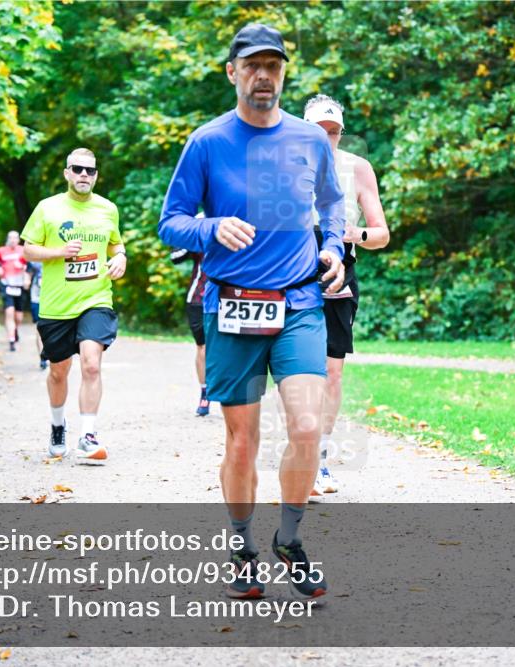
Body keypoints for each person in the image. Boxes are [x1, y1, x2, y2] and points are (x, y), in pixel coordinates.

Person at [158, 23, 345, 601]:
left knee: (308, 426)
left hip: (299, 302)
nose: (264, 76)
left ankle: (289, 538)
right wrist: (211, 227)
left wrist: (333, 247)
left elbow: (333, 203)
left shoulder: (310, 140)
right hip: (233, 305)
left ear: (284, 73)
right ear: (233, 72)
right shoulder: (207, 142)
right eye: (253, 65)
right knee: (242, 441)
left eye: (274, 66)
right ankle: (241, 545)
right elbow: (171, 222)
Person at [303, 94, 390, 496]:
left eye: (334, 131)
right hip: (290, 267)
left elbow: (382, 233)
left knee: (330, 370)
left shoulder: (357, 167)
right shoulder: (282, 162)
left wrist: (352, 235)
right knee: (295, 366)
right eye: (318, 131)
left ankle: (318, 459)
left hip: (340, 268)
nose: (327, 138)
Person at [22, 147, 126, 464]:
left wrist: (121, 256)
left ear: (96, 176)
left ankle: (88, 435)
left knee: (91, 364)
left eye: (90, 171)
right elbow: (28, 250)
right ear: (67, 172)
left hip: (96, 298)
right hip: (56, 305)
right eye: (77, 169)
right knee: (58, 371)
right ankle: (57, 427)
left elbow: (116, 243)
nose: (84, 175)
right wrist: (59, 252)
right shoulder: (47, 208)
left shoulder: (108, 209)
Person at [170, 247, 209, 416]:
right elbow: (175, 257)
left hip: (229, 297)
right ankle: (205, 393)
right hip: (198, 298)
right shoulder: (200, 226)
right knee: (202, 346)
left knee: (229, 347)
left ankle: (232, 394)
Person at [0, 231, 29, 351]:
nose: (13, 240)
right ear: (7, 239)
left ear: (19, 240)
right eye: (11, 238)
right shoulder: (1, 251)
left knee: (18, 317)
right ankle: (11, 340)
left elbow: (28, 266)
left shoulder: (23, 250)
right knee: (9, 312)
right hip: (7, 284)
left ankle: (15, 330)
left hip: (19, 285)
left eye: (15, 238)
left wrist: (26, 279)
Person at [27, 260, 48, 370]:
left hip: (54, 299)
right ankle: (43, 357)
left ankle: (51, 353)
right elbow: (27, 275)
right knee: (40, 328)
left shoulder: (59, 255)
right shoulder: (33, 262)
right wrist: (26, 281)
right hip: (37, 299)